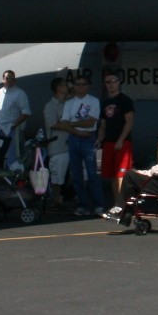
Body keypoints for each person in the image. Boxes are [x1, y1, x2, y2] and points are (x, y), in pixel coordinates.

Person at [57, 74, 101, 216]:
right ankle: (82, 205)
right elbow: (63, 123)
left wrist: (73, 124)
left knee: (92, 173)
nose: (80, 87)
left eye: (83, 84)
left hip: (88, 138)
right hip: (74, 138)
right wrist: (77, 131)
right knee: (76, 174)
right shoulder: (69, 103)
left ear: (87, 86)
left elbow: (91, 122)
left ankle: (98, 204)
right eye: (77, 84)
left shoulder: (93, 101)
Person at [109, 130, 158, 211]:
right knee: (132, 175)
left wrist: (141, 173)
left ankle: (121, 207)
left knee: (129, 175)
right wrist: (141, 173)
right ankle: (128, 206)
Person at [97, 70, 136, 211]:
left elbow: (129, 121)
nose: (111, 84)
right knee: (112, 175)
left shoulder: (125, 100)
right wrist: (100, 139)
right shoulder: (105, 102)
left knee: (121, 175)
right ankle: (117, 204)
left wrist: (121, 139)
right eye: (108, 82)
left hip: (122, 142)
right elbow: (103, 124)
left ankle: (124, 205)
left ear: (119, 83)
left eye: (113, 81)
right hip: (108, 142)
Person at [39, 75, 71, 206]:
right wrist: (72, 126)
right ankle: (56, 200)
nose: (67, 87)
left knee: (67, 175)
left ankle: (63, 198)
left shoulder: (68, 104)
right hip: (58, 146)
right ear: (58, 88)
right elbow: (53, 124)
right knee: (57, 175)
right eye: (64, 85)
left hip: (70, 144)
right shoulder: (50, 106)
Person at [0, 69, 31, 169]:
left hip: (12, 130)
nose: (9, 80)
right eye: (7, 78)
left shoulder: (19, 93)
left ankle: (14, 178)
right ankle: (1, 176)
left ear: (15, 81)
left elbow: (26, 112)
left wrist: (14, 125)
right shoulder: (0, 92)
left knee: (12, 155)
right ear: (3, 80)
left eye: (12, 78)